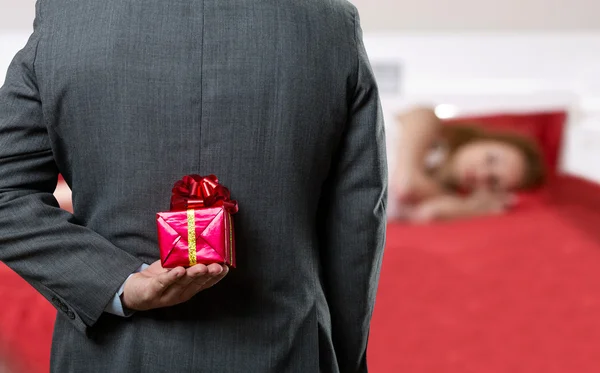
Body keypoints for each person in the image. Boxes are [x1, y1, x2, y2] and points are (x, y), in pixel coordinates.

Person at [0, 1, 387, 372]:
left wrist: (116, 283)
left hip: (113, 355)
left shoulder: (66, 17)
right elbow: (358, 225)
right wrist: (344, 361)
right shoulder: (331, 23)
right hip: (286, 348)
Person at [389, 107, 545, 222]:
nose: (482, 174)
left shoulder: (439, 195)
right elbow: (407, 185)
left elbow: (427, 215)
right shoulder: (426, 119)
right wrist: (468, 205)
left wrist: (465, 208)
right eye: (490, 159)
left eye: (493, 181)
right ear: (483, 139)